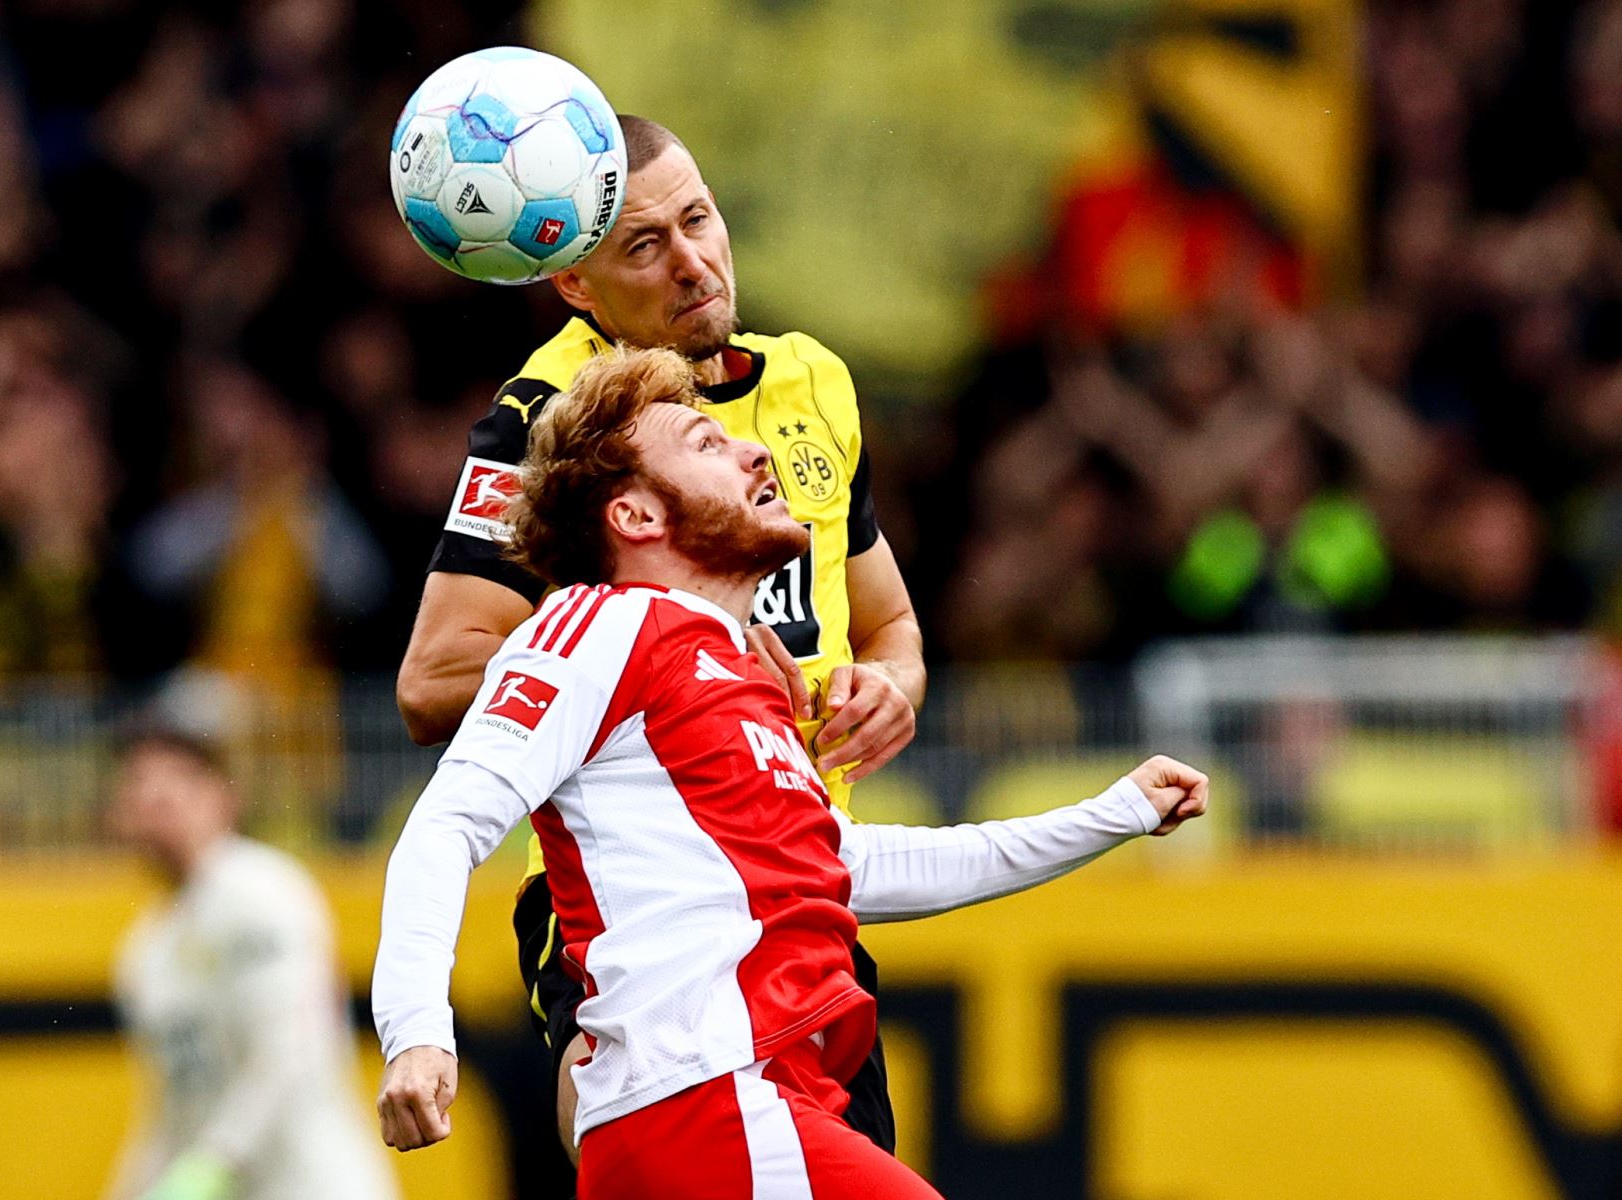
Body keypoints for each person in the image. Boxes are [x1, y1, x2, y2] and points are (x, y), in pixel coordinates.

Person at [372, 347, 1208, 1199]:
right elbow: (448, 823)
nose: (755, 451)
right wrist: (417, 1031)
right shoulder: (597, 623)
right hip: (701, 1100)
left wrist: (1112, 815)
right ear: (634, 515)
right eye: (706, 444)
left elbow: (854, 869)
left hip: (763, 1101)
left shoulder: (745, 683)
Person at [394, 113, 925, 1164]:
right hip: (639, 913)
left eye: (699, 219)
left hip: (805, 898)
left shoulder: (812, 381)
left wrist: (891, 685)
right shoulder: (551, 420)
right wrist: (677, 661)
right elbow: (435, 676)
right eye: (644, 245)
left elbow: (890, 624)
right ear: (577, 285)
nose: (692, 262)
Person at [105, 728, 399, 1200]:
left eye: (178, 778)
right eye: (138, 781)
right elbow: (172, 1106)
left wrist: (212, 1162)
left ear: (224, 797)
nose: (155, 796)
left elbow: (289, 1051)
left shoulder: (263, 891)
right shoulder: (145, 949)